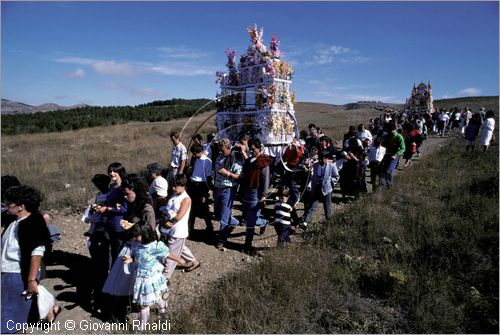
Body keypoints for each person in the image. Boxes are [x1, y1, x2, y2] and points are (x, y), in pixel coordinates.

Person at [1, 185, 60, 333]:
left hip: (17, 274)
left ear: (21, 206)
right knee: (16, 312)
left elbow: (37, 252)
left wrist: (31, 279)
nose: (7, 206)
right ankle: (49, 312)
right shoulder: (14, 222)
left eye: (9, 203)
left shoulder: (31, 223)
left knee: (13, 318)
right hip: (7, 273)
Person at [123, 223, 186, 331]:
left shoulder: (155, 246)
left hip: (152, 278)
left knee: (152, 300)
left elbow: (166, 254)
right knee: (148, 301)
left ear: (145, 234)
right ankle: (147, 323)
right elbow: (137, 257)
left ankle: (154, 319)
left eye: (136, 235)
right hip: (141, 278)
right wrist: (131, 259)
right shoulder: (138, 244)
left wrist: (178, 259)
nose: (134, 238)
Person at [160, 174, 200, 279]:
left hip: (178, 230)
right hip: (170, 229)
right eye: (173, 186)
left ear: (183, 185)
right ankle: (194, 262)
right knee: (180, 248)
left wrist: (169, 220)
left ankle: (165, 278)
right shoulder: (175, 195)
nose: (173, 188)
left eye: (176, 186)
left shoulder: (186, 199)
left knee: (171, 255)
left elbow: (179, 216)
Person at [242, 138, 272, 255]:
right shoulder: (249, 160)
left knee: (250, 219)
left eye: (253, 149)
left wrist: (264, 195)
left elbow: (266, 180)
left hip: (256, 192)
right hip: (247, 191)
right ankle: (264, 222)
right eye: (250, 148)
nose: (251, 151)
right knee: (249, 218)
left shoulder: (263, 161)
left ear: (259, 148)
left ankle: (247, 244)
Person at [95, 162, 128, 263]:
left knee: (119, 249)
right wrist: (101, 206)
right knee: (113, 249)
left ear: (120, 172)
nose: (112, 173)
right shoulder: (113, 186)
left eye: (115, 171)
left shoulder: (124, 186)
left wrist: (108, 209)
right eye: (110, 171)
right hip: (110, 221)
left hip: (119, 223)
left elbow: (124, 209)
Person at [213, 138, 243, 250]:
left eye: (223, 150)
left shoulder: (235, 159)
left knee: (224, 217)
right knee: (217, 213)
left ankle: (221, 239)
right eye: (220, 149)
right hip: (217, 188)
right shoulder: (219, 156)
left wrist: (228, 173)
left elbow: (239, 176)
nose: (221, 152)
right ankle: (234, 222)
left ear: (229, 148)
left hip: (228, 189)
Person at [301, 151, 339, 228]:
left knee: (327, 207)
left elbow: (336, 176)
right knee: (312, 206)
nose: (322, 160)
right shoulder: (315, 165)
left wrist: (330, 182)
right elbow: (313, 176)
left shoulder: (331, 166)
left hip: (327, 189)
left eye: (324, 159)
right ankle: (306, 222)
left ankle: (329, 223)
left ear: (327, 158)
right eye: (320, 159)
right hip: (317, 188)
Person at [187, 144, 213, 235]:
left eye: (195, 154)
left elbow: (208, 178)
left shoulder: (207, 161)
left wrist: (205, 193)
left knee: (204, 208)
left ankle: (210, 227)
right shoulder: (195, 159)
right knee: (192, 208)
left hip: (201, 186)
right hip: (193, 185)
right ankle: (190, 228)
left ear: (200, 152)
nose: (193, 156)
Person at [380, 122, 405, 188]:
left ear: (395, 129)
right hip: (386, 155)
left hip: (394, 156)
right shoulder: (386, 136)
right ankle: (382, 187)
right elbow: (383, 145)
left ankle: (390, 187)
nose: (390, 133)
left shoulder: (399, 137)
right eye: (389, 131)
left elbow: (403, 148)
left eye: (392, 131)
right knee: (383, 171)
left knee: (389, 171)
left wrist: (396, 154)